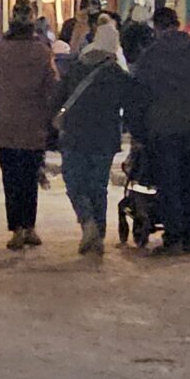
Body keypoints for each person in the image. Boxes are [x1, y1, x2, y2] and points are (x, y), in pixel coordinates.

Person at [130, 6, 190, 254]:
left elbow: (139, 96)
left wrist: (139, 132)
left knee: (169, 181)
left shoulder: (150, 56)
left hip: (164, 129)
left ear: (158, 27)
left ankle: (174, 236)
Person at [0, 0, 62, 250]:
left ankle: (16, 228)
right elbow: (53, 88)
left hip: (6, 123)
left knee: (11, 179)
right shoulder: (43, 53)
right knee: (29, 177)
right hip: (34, 124)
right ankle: (30, 226)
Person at [56, 18, 135, 254]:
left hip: (75, 134)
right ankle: (97, 233)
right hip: (104, 137)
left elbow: (60, 95)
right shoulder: (117, 73)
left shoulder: (77, 67)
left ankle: (87, 223)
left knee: (74, 182)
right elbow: (133, 102)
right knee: (98, 186)